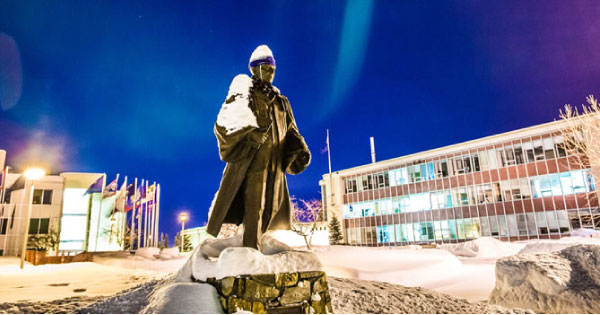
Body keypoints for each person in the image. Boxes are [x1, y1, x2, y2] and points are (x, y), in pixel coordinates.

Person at [206, 45, 310, 251]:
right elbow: (223, 125)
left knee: (270, 208)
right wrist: (251, 135)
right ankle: (250, 253)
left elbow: (291, 131)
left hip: (275, 162)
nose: (271, 72)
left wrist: (300, 150)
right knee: (255, 206)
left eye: (273, 69)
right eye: (266, 68)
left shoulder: (281, 102)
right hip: (251, 162)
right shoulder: (244, 93)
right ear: (255, 69)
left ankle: (256, 251)